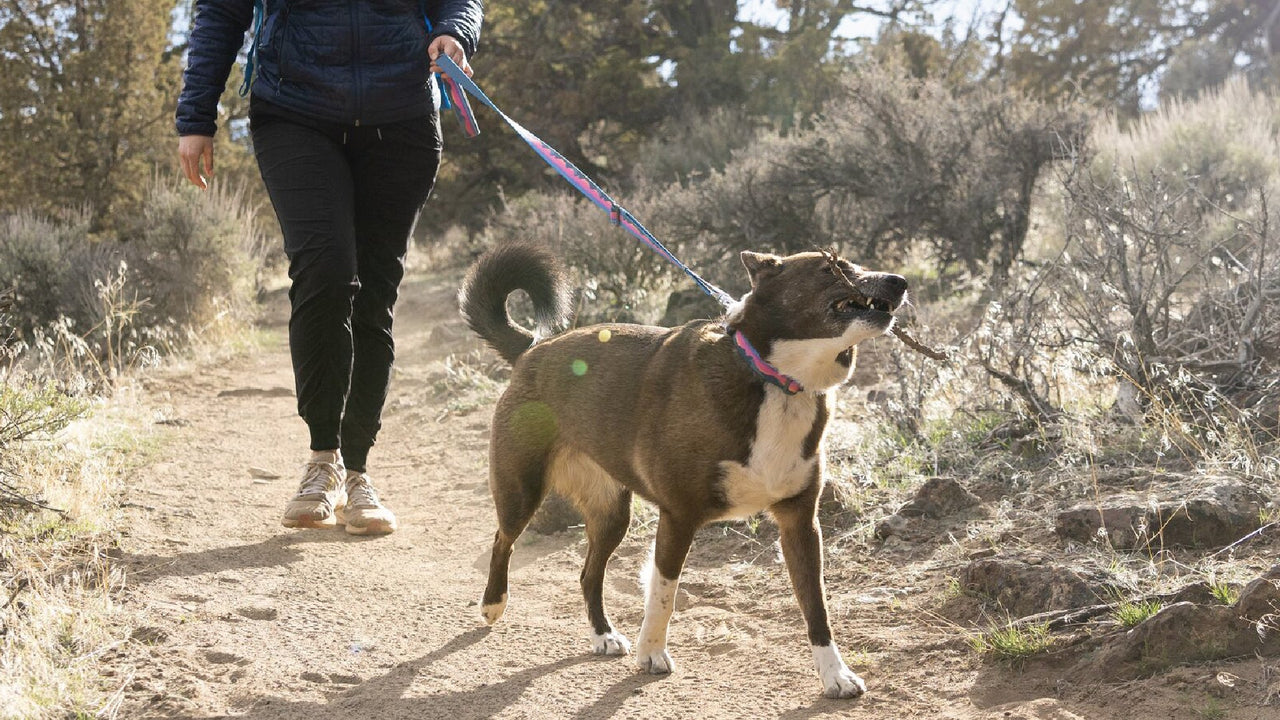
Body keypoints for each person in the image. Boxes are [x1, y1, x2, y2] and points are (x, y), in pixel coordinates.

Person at [175, 0, 483, 535]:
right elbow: (221, 12)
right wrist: (196, 115)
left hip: (401, 117)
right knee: (327, 270)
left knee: (374, 294)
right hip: (294, 111)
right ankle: (323, 460)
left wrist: (455, 31)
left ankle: (358, 472)